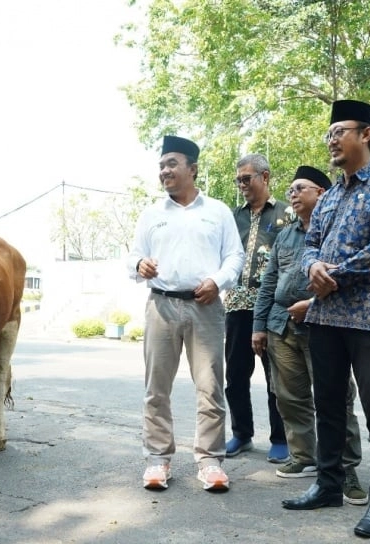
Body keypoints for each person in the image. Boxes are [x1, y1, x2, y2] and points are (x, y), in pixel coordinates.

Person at [281, 99, 370, 539]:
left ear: (365, 134)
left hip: (368, 318)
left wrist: (337, 275)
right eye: (329, 134)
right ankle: (328, 485)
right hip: (326, 317)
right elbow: (311, 243)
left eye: (340, 132)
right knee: (329, 406)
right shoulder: (331, 194)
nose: (332, 140)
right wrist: (313, 267)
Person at [129, 135, 245, 492]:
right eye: (162, 165)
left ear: (192, 169)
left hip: (205, 306)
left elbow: (235, 258)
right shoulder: (151, 214)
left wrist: (217, 281)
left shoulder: (218, 212)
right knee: (156, 387)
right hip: (161, 306)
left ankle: (210, 461)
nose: (165, 171)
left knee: (210, 387)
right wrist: (140, 264)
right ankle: (157, 460)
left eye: (172, 164)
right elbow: (132, 257)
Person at [252, 165, 368, 506]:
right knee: (289, 397)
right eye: (290, 189)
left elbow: (350, 280)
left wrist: (313, 305)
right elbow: (268, 282)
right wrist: (259, 326)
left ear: (321, 192)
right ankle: (304, 457)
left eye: (300, 187)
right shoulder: (285, 236)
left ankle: (346, 469)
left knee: (336, 401)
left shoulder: (337, 231)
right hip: (281, 325)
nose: (292, 193)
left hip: (323, 324)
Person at [224, 153, 289, 463]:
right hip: (236, 307)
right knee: (236, 375)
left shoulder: (286, 215)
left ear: (265, 177)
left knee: (276, 376)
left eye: (246, 179)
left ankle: (281, 438)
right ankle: (241, 434)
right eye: (238, 181)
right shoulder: (232, 217)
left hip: (273, 308)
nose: (242, 186)